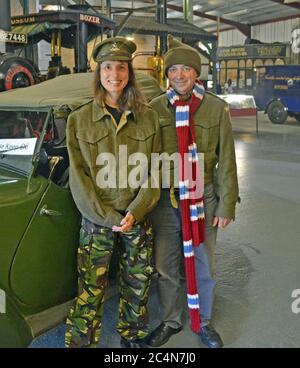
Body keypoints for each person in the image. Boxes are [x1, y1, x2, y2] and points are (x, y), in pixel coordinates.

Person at [65, 37, 161, 348]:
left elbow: (155, 172)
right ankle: (82, 343)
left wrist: (137, 211)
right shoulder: (79, 120)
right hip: (98, 221)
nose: (114, 75)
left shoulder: (148, 118)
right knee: (90, 291)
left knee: (137, 285)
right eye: (108, 67)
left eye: (121, 67)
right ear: (99, 72)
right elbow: (78, 179)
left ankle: (131, 337)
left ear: (129, 73)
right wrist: (107, 217)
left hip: (137, 217)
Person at [147, 35, 239, 348]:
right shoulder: (155, 108)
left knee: (203, 263)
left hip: (204, 197)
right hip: (165, 199)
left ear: (195, 73)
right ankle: (171, 320)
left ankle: (204, 322)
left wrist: (227, 204)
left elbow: (226, 158)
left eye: (187, 69)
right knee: (166, 265)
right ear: (167, 75)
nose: (180, 75)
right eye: (174, 70)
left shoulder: (215, 108)